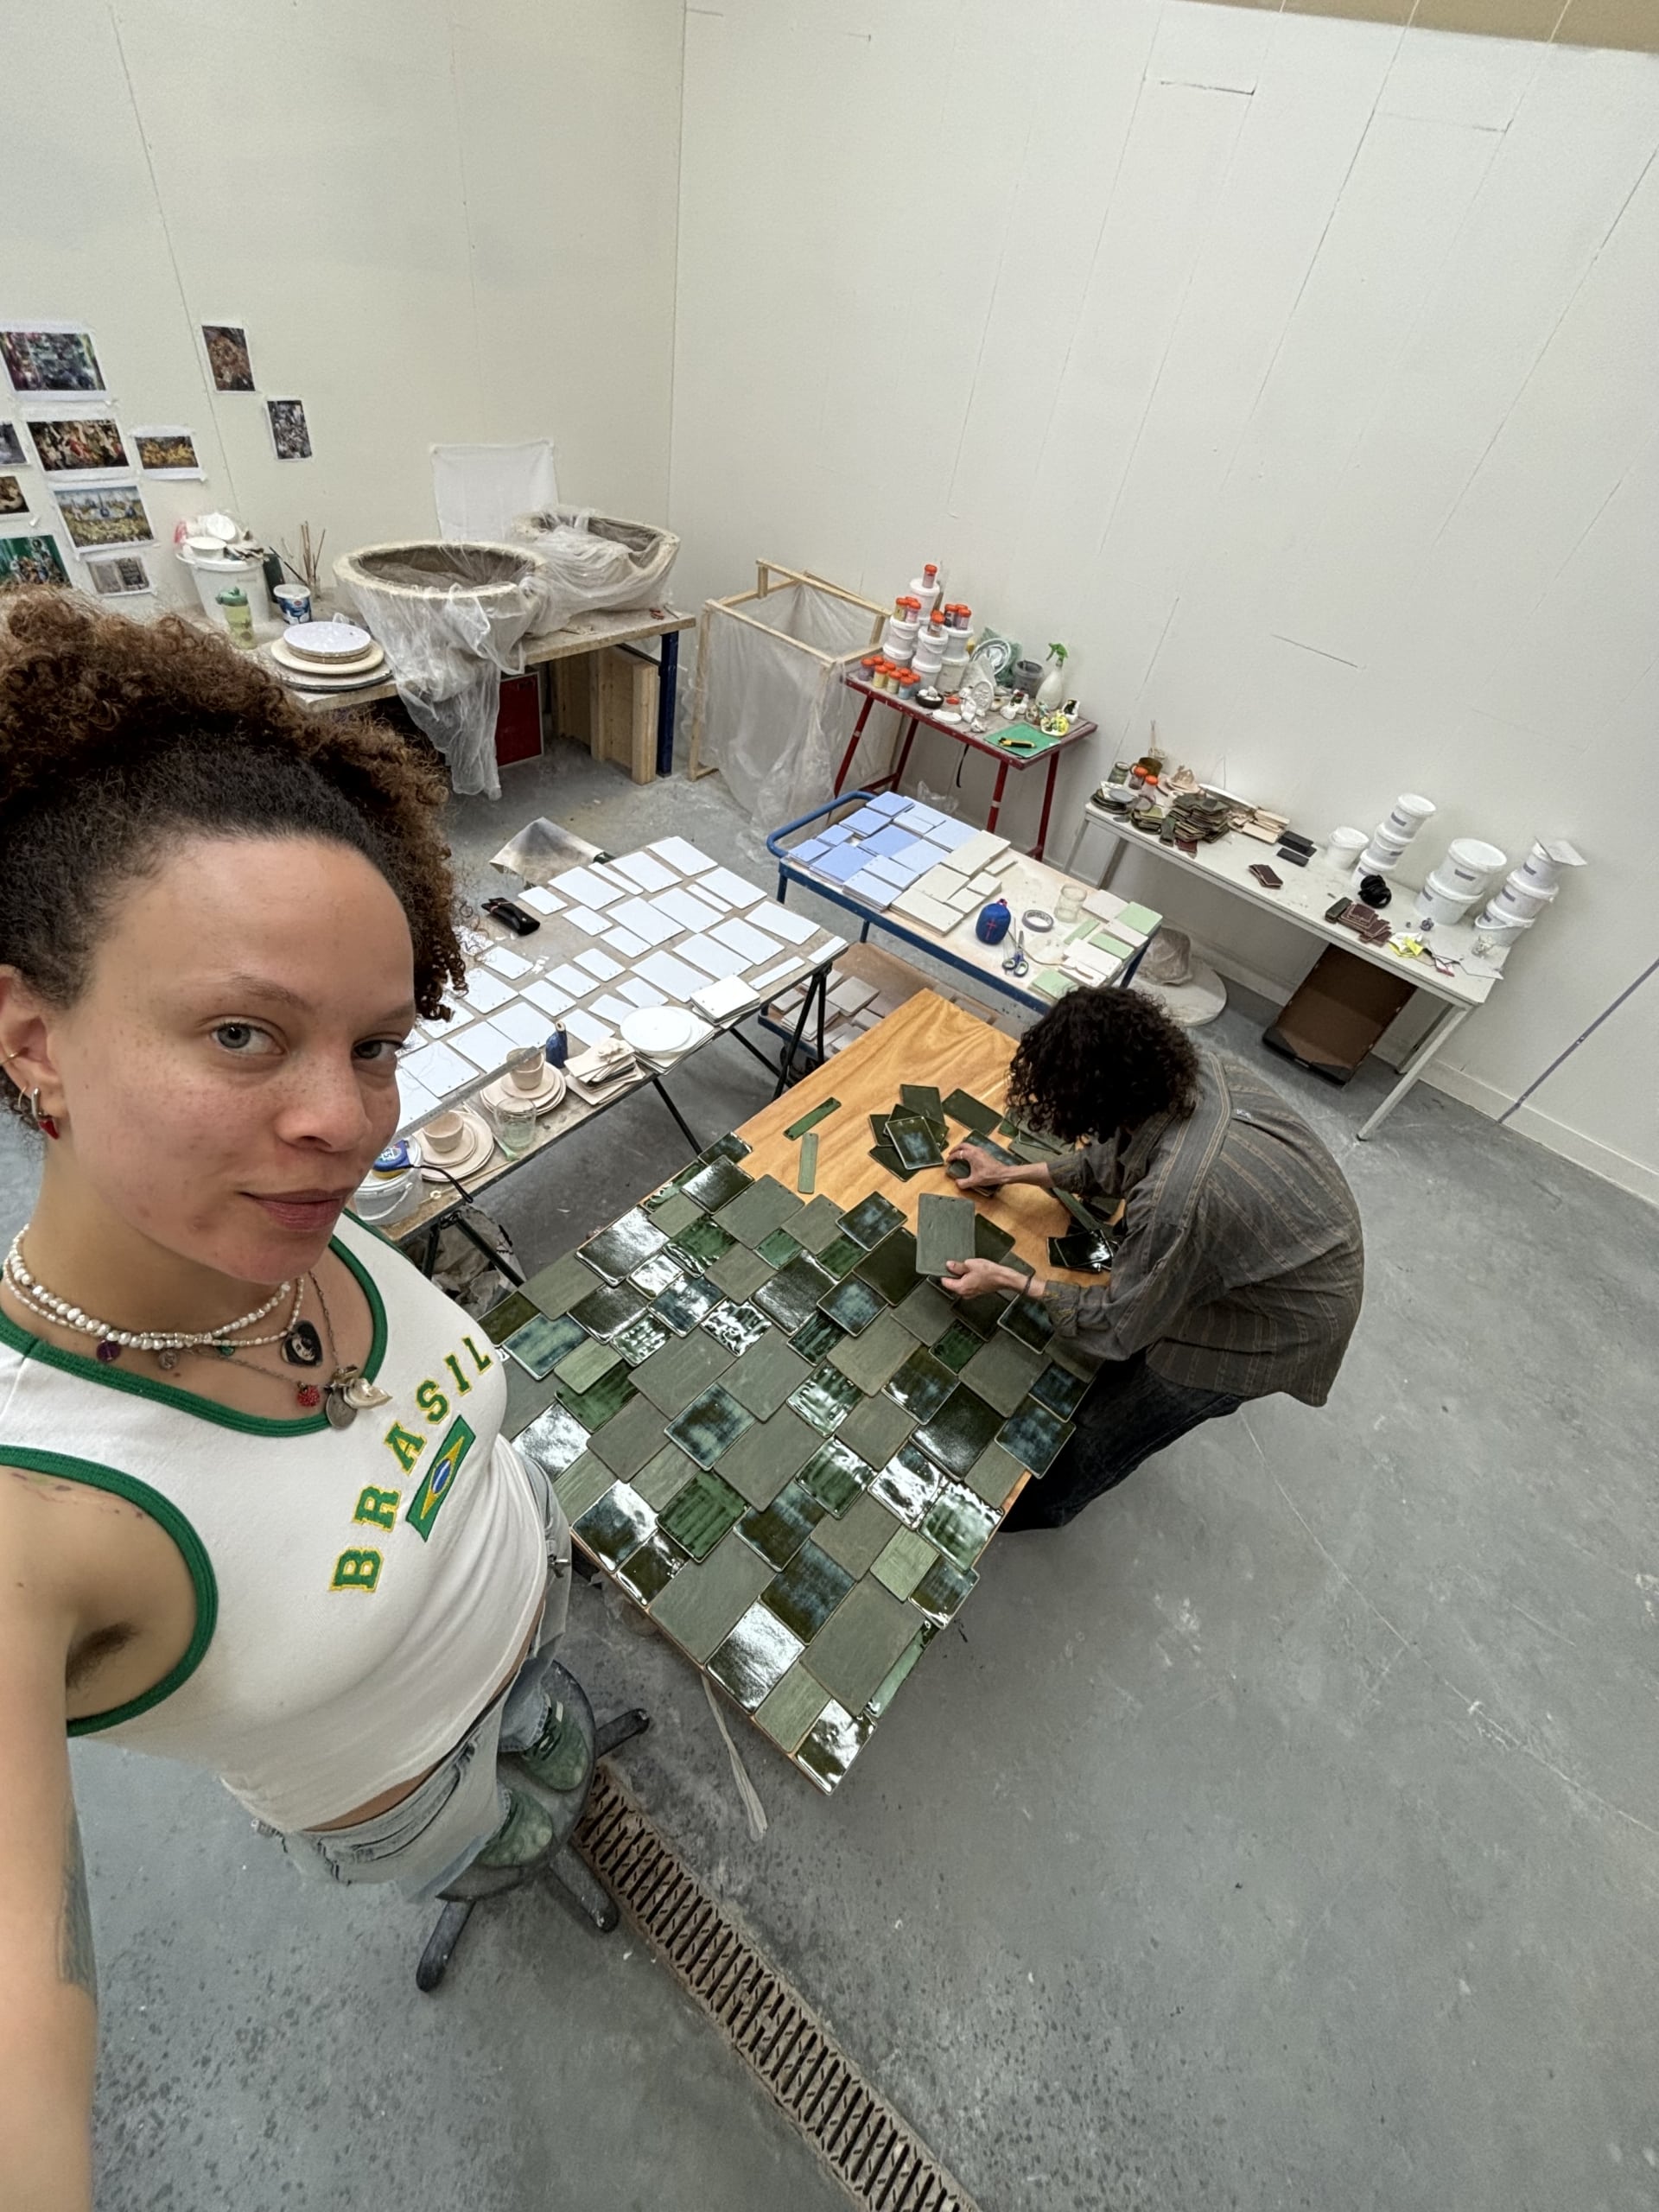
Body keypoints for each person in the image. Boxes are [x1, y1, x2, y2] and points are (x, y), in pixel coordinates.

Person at [0, 593, 586, 2206]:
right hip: (411, 1794)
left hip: (529, 1607)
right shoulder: (41, 1519)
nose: (349, 1123)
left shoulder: (281, 1215)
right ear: (34, 1041)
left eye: (377, 1045)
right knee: (506, 1839)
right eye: (244, 1033)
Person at [942, 987, 1363, 1529]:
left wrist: (1009, 1279)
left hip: (1280, 1320)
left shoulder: (1174, 1201)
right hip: (1292, 1237)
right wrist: (1008, 1172)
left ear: (1099, 1105)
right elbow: (1117, 1159)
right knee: (1133, 1327)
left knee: (1110, 1426)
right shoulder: (1182, 1074)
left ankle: (1042, 1507)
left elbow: (1119, 1325)